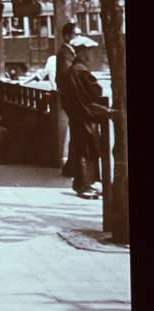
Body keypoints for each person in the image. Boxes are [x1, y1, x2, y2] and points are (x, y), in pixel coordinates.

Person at [57, 34, 113, 199]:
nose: (91, 55)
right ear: (81, 52)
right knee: (87, 149)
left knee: (83, 148)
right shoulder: (80, 71)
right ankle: (85, 184)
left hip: (78, 115)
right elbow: (95, 92)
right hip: (85, 116)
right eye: (89, 51)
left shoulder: (74, 70)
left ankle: (85, 183)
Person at [57, 22, 82, 177]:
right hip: (72, 100)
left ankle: (72, 167)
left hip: (71, 99)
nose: (79, 37)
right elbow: (69, 77)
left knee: (76, 133)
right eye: (76, 34)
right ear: (67, 36)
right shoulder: (65, 53)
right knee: (77, 132)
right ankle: (72, 167)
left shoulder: (69, 52)